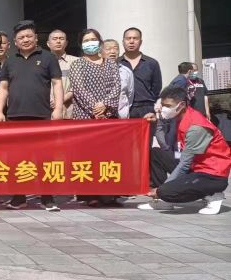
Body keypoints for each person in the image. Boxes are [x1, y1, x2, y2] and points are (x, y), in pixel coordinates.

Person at [0, 20, 64, 211]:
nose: (25, 40)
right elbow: (3, 87)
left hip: (42, 116)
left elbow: (57, 84)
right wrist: (0, 111)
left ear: (36, 38)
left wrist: (58, 109)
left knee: (45, 159)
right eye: (21, 37)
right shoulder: (10, 61)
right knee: (17, 159)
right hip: (15, 117)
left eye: (29, 36)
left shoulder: (48, 58)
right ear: (15, 41)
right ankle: (19, 197)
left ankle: (47, 198)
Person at [139, 86, 229, 215]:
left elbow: (184, 164)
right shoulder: (181, 116)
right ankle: (164, 199)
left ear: (181, 105)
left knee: (165, 191)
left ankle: (214, 194)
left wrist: (160, 190)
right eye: (162, 105)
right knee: (156, 154)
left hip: (212, 174)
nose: (164, 109)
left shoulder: (196, 127)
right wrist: (156, 120)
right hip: (195, 165)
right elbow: (172, 147)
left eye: (168, 106)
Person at [69, 29, 121, 207]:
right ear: (81, 44)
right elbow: (79, 89)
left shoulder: (111, 64)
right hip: (85, 117)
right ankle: (89, 194)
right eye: (86, 40)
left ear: (100, 42)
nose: (90, 43)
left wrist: (105, 105)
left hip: (109, 117)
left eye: (93, 39)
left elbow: (116, 87)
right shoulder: (77, 64)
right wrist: (95, 107)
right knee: (87, 157)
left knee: (109, 157)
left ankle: (110, 193)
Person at [119, 27, 162, 121]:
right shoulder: (116, 64)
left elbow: (156, 89)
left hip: (146, 110)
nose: (131, 41)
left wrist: (153, 109)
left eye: (135, 38)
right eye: (128, 38)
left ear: (141, 42)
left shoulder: (152, 63)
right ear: (123, 42)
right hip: (123, 109)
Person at [47, 30, 78, 119]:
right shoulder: (41, 62)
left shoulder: (76, 61)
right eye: (55, 39)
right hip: (46, 109)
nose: (58, 41)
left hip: (70, 111)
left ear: (66, 43)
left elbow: (78, 86)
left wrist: (60, 100)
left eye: (61, 38)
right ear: (48, 43)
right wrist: (49, 100)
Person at [102, 40, 134, 119]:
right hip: (101, 117)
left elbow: (130, 95)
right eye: (108, 49)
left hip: (121, 117)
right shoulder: (95, 71)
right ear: (101, 52)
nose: (112, 51)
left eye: (115, 48)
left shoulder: (126, 71)